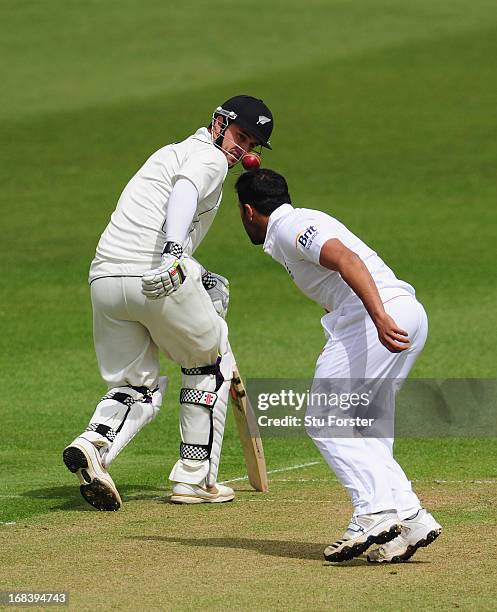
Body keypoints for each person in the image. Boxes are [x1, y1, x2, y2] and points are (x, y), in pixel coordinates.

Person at [63, 95, 274, 511]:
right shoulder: (208, 158)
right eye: (240, 137)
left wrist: (196, 270)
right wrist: (176, 252)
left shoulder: (167, 152)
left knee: (134, 387)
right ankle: (193, 480)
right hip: (159, 276)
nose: (243, 152)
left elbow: (152, 217)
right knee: (207, 364)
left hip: (106, 279)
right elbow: (186, 190)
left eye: (251, 146)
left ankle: (93, 445)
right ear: (218, 123)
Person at [234, 168, 442, 563]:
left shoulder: (289, 227)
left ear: (248, 211)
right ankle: (411, 517)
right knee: (366, 427)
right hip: (406, 313)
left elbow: (345, 259)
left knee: (325, 419)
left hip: (378, 317)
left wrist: (378, 317)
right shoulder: (298, 221)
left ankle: (373, 513)